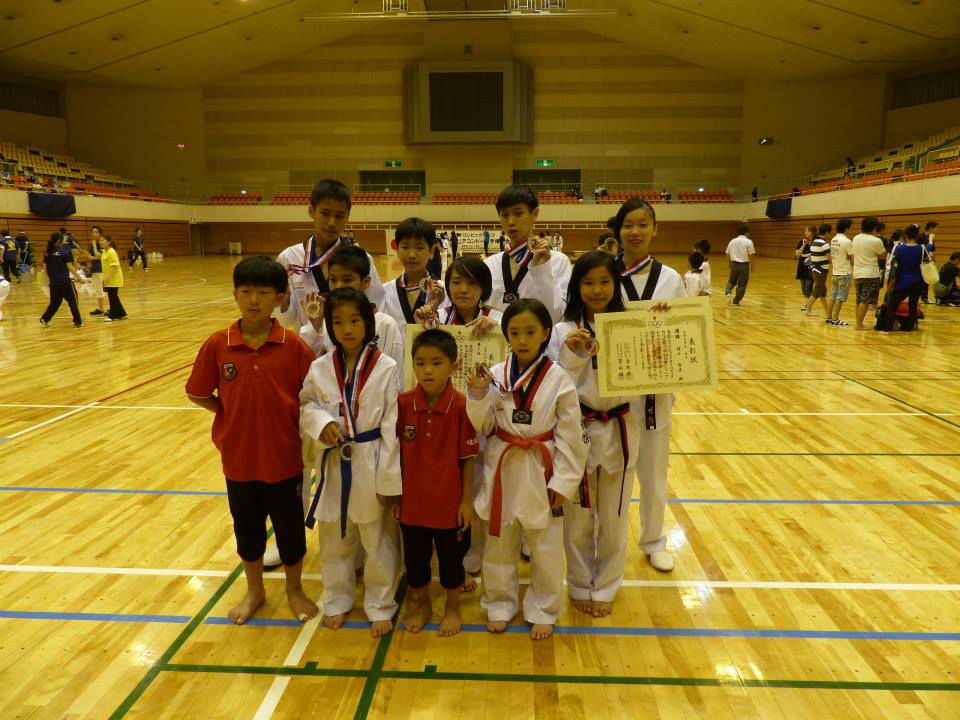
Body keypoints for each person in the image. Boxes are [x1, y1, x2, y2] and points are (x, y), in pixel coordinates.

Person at [185, 256, 318, 625]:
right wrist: (226, 412)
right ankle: (254, 590)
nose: (254, 300)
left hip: (285, 459)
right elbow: (197, 392)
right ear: (234, 294)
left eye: (263, 292)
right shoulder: (218, 345)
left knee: (290, 531)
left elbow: (314, 396)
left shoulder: (294, 346)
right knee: (247, 529)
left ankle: (294, 590)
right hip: (239, 460)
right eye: (246, 291)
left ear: (280, 297)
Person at [465, 298, 587, 639]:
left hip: (541, 467)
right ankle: (498, 603)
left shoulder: (559, 378)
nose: (522, 340)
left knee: (545, 545)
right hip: (502, 465)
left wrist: (563, 482)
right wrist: (477, 397)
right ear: (506, 334)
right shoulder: (495, 374)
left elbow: (571, 436)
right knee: (498, 541)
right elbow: (484, 426)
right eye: (515, 332)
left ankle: (544, 608)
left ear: (546, 333)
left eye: (530, 332)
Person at [300, 288, 402, 637]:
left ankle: (381, 603)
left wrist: (390, 481)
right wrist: (322, 423)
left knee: (377, 538)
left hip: (372, 458)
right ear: (329, 325)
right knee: (334, 536)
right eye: (338, 322)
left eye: (355, 321)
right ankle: (338, 599)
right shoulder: (319, 367)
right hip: (334, 461)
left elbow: (392, 426)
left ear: (368, 323)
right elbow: (306, 405)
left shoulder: (386, 367)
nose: (347, 329)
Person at [552, 251, 639, 618]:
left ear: (616, 284)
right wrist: (573, 355)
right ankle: (578, 582)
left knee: (615, 518)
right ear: (577, 287)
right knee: (578, 520)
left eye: (605, 281)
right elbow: (554, 384)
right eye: (588, 282)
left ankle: (606, 586)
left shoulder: (631, 324)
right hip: (579, 431)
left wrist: (661, 326)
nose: (597, 289)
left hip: (620, 430)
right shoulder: (562, 330)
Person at [612, 198, 685, 572]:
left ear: (655, 229)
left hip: (655, 392)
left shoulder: (671, 278)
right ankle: (610, 541)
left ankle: (654, 539)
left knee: (654, 474)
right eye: (628, 224)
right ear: (618, 229)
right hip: (614, 393)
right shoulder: (605, 274)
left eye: (643, 224)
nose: (635, 231)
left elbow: (685, 331)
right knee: (614, 475)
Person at [396, 329, 479, 636]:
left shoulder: (461, 406)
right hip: (412, 504)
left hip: (448, 505)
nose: (428, 370)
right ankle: (422, 605)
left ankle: (453, 608)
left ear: (454, 365)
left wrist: (466, 502)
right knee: (416, 563)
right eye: (420, 363)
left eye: (436, 363)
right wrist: (395, 497)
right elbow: (394, 458)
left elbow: (467, 459)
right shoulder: (403, 403)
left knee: (451, 563)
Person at [276, 179, 384, 331]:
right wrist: (284, 301)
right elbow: (287, 321)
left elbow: (376, 309)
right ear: (311, 210)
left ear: (347, 217)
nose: (332, 223)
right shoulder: (289, 259)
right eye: (325, 214)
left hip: (350, 341)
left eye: (339, 216)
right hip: (308, 343)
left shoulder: (362, 259)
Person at [299, 246, 404, 370]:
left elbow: (396, 374)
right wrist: (315, 327)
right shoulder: (325, 323)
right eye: (333, 280)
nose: (338, 286)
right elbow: (305, 363)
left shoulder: (385, 324)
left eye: (347, 280)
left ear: (366, 282)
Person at [486, 185, 571, 323]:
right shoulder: (490, 264)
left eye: (518, 213)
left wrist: (542, 270)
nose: (511, 221)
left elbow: (556, 316)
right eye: (505, 215)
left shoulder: (558, 261)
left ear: (535, 213)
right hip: (498, 336)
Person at [382, 217, 440, 330]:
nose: (412, 255)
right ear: (397, 250)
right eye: (405, 247)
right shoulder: (385, 291)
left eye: (419, 248)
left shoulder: (443, 293)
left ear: (431, 251)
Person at [880, 224, 926, 332]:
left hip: (903, 281)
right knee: (913, 304)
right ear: (917, 235)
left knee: (892, 304)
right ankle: (909, 328)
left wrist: (891, 283)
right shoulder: (922, 249)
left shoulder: (900, 249)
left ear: (906, 235)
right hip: (918, 280)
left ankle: (887, 328)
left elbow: (895, 267)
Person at [39, 232, 83, 328]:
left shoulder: (47, 253)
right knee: (73, 301)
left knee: (54, 303)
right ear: (59, 240)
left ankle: (44, 319)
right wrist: (79, 277)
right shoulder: (64, 252)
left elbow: (45, 268)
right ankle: (77, 321)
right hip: (65, 282)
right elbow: (70, 267)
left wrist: (49, 279)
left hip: (54, 283)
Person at [851, 216, 887, 330]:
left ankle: (858, 322)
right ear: (874, 227)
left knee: (859, 299)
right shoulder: (876, 241)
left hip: (857, 273)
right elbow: (883, 255)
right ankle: (859, 324)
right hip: (870, 273)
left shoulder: (856, 238)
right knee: (865, 300)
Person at [827, 218, 854, 326]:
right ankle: (835, 318)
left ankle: (829, 317)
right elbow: (851, 256)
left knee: (833, 296)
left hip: (835, 271)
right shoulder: (847, 241)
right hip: (844, 272)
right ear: (846, 228)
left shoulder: (833, 239)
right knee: (841, 297)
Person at [724, 223, 755, 305]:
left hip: (734, 264)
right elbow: (751, 254)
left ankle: (728, 292)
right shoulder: (749, 242)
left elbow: (727, 252)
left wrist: (729, 263)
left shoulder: (732, 241)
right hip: (744, 265)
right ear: (747, 232)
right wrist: (752, 266)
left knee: (731, 280)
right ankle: (736, 300)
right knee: (742, 284)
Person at [100, 235, 127, 321]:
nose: (101, 242)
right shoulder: (104, 252)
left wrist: (108, 278)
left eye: (103, 240)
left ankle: (113, 315)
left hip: (114, 278)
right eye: (100, 240)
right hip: (109, 278)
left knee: (112, 297)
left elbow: (114, 266)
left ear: (109, 242)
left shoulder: (111, 252)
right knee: (114, 296)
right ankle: (122, 313)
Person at [807, 224, 831, 317]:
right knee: (817, 291)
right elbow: (829, 258)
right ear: (827, 232)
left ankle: (827, 311)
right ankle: (808, 310)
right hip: (821, 271)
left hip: (815, 270)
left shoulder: (814, 242)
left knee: (822, 292)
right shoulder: (824, 243)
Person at [795, 226, 816, 312]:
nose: (805, 233)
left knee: (808, 287)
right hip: (801, 268)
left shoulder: (815, 243)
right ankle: (808, 303)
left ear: (812, 232)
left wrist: (804, 255)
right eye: (805, 231)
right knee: (804, 289)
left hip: (810, 269)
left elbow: (814, 254)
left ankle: (806, 305)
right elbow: (797, 254)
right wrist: (803, 245)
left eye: (807, 231)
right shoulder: (801, 242)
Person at [87, 226, 106, 316]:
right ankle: (100, 308)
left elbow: (99, 256)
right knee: (98, 289)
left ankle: (111, 308)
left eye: (96, 232)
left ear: (100, 233)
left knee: (106, 289)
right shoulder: (92, 244)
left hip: (101, 269)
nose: (94, 234)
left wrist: (94, 246)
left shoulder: (102, 243)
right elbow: (89, 257)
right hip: (94, 269)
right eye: (93, 232)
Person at [919, 221, 938, 304]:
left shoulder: (931, 237)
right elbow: (923, 250)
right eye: (936, 228)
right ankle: (921, 296)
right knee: (920, 280)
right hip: (921, 261)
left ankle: (924, 297)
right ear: (931, 228)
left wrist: (933, 259)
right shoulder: (921, 237)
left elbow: (932, 250)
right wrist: (930, 240)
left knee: (927, 279)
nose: (936, 230)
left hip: (928, 261)